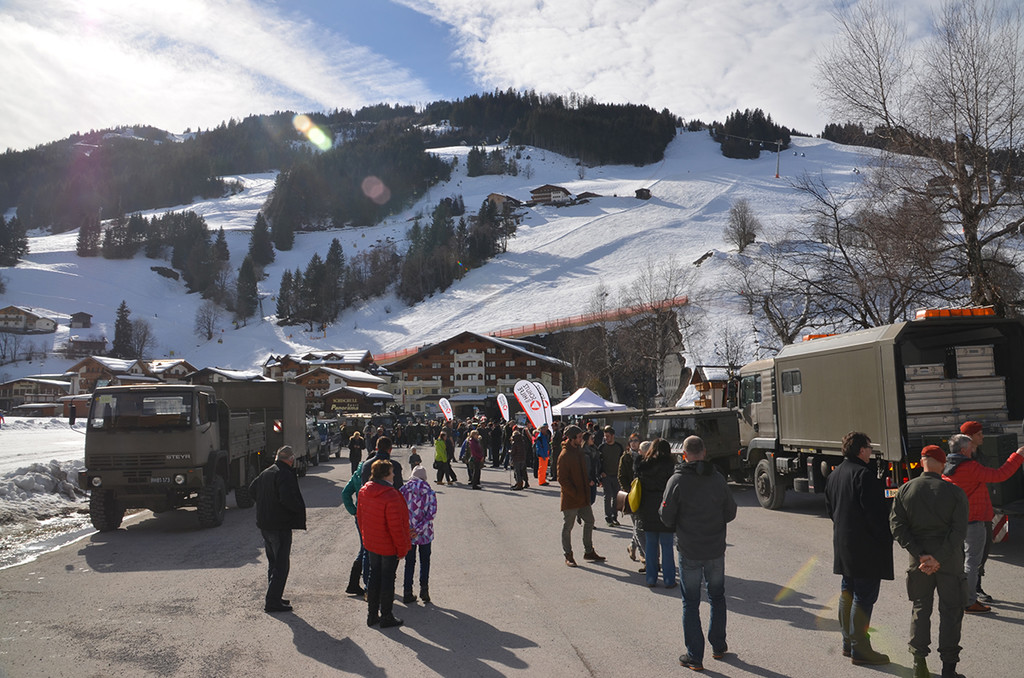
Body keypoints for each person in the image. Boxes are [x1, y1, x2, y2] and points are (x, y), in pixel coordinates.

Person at [890, 445, 969, 678]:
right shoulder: (954, 492)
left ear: (922, 462)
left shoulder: (905, 490)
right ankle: (948, 669)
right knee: (951, 612)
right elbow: (959, 531)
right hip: (949, 561)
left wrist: (921, 554)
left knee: (920, 609)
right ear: (941, 463)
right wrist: (939, 558)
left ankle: (919, 666)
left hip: (919, 562)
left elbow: (897, 527)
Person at [660, 435, 737, 671]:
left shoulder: (677, 480)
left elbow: (665, 516)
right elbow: (730, 511)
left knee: (691, 602)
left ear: (684, 454)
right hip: (714, 548)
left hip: (690, 548)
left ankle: (695, 656)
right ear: (704, 452)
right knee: (717, 596)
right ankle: (718, 645)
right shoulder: (717, 478)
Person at [823, 431, 893, 666]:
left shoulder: (836, 475)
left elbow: (830, 510)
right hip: (865, 547)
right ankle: (859, 648)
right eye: (869, 448)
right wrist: (885, 539)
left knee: (848, 591)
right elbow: (876, 516)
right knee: (863, 597)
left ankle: (847, 642)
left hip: (844, 544)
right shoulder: (864, 475)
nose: (871, 452)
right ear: (861, 450)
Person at [943, 431, 1024, 614]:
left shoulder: (949, 466)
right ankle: (970, 601)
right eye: (971, 447)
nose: (973, 450)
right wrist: (1018, 456)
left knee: (961, 561)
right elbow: (999, 475)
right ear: (964, 450)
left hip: (957, 521)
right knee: (973, 562)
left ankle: (960, 597)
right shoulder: (970, 467)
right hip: (974, 520)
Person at [249, 445, 307, 613]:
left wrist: (265, 503)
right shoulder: (285, 474)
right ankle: (272, 601)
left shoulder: (267, 472)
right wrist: (296, 510)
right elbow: (287, 498)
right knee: (281, 565)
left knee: (273, 563)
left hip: (265, 524)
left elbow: (253, 489)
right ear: (290, 459)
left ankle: (274, 595)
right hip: (279, 525)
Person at [357, 459, 412, 628]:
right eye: (391, 471)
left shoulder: (364, 490)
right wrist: (403, 548)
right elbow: (396, 526)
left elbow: (361, 517)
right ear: (385, 474)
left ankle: (372, 615)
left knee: (374, 577)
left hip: (372, 543)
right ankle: (386, 615)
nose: (394, 474)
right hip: (388, 545)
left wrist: (366, 537)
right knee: (388, 580)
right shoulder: (391, 495)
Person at [557, 425, 605, 567]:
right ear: (572, 439)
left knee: (590, 521)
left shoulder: (579, 451)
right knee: (568, 527)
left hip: (583, 497)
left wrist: (589, 483)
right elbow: (562, 479)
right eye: (578, 437)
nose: (581, 439)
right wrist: (574, 492)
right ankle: (568, 555)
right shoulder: (564, 455)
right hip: (571, 499)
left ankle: (588, 551)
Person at [636, 438, 676, 588]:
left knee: (651, 546)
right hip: (665, 507)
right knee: (667, 545)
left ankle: (651, 578)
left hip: (647, 508)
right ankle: (669, 579)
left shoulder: (643, 464)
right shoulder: (670, 465)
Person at [400, 465, 437, 605]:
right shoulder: (429, 491)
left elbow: (398, 511)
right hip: (425, 534)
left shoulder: (403, 490)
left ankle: (407, 591)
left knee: (409, 562)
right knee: (425, 561)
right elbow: (431, 514)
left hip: (408, 533)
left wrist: (409, 529)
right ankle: (424, 590)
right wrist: (420, 528)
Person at [618, 435, 647, 568]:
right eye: (632, 441)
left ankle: (632, 545)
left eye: (636, 441)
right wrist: (629, 491)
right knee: (637, 523)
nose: (634, 443)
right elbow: (621, 476)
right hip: (632, 495)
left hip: (644, 494)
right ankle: (642, 552)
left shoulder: (645, 457)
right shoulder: (626, 457)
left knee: (639, 523)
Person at [341, 455, 368, 596]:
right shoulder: (370, 473)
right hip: (368, 514)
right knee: (366, 548)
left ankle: (354, 582)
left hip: (359, 514)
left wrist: (353, 511)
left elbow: (345, 493)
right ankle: (358, 582)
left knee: (364, 547)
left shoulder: (357, 474)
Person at [598, 426, 624, 526]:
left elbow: (623, 461)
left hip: (616, 475)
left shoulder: (618, 447)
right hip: (606, 475)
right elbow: (598, 461)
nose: (606, 438)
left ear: (613, 436)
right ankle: (608, 517)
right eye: (605, 436)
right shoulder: (602, 447)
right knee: (607, 496)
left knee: (616, 497)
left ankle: (614, 516)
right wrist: (601, 472)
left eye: (608, 436)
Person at [510, 425, 531, 490]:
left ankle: (519, 484)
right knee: (523, 471)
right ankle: (525, 482)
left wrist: (510, 452)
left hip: (516, 458)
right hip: (523, 458)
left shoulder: (515, 442)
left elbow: (513, 451)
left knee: (517, 472)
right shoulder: (522, 440)